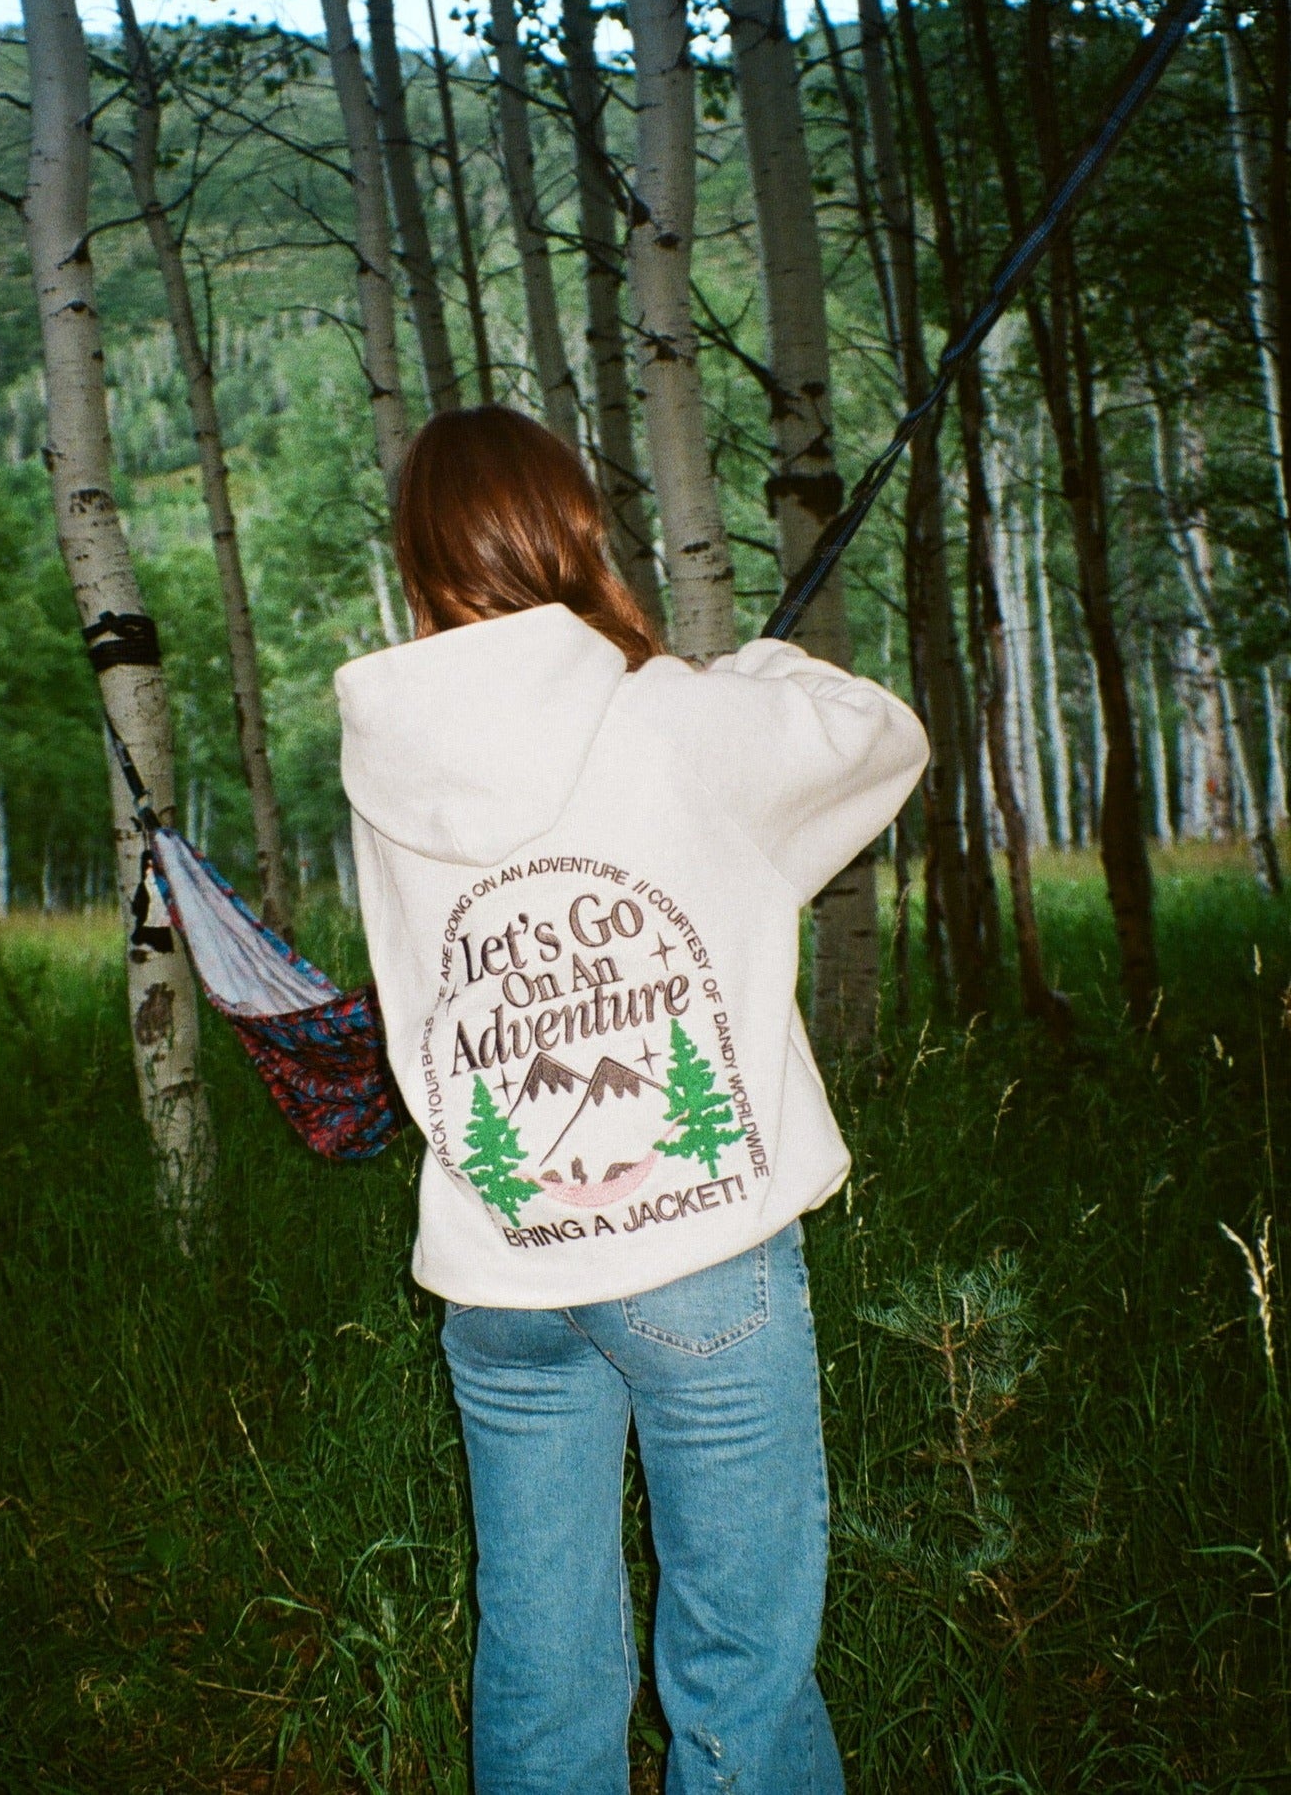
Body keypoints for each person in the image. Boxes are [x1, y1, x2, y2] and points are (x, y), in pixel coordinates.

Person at [334, 405, 928, 1795]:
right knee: (741, 1665)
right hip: (697, 1261)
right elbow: (877, 739)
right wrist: (751, 664)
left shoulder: (391, 755)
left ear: (419, 559)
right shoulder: (677, 714)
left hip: (502, 1276)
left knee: (540, 1659)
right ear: (577, 528)